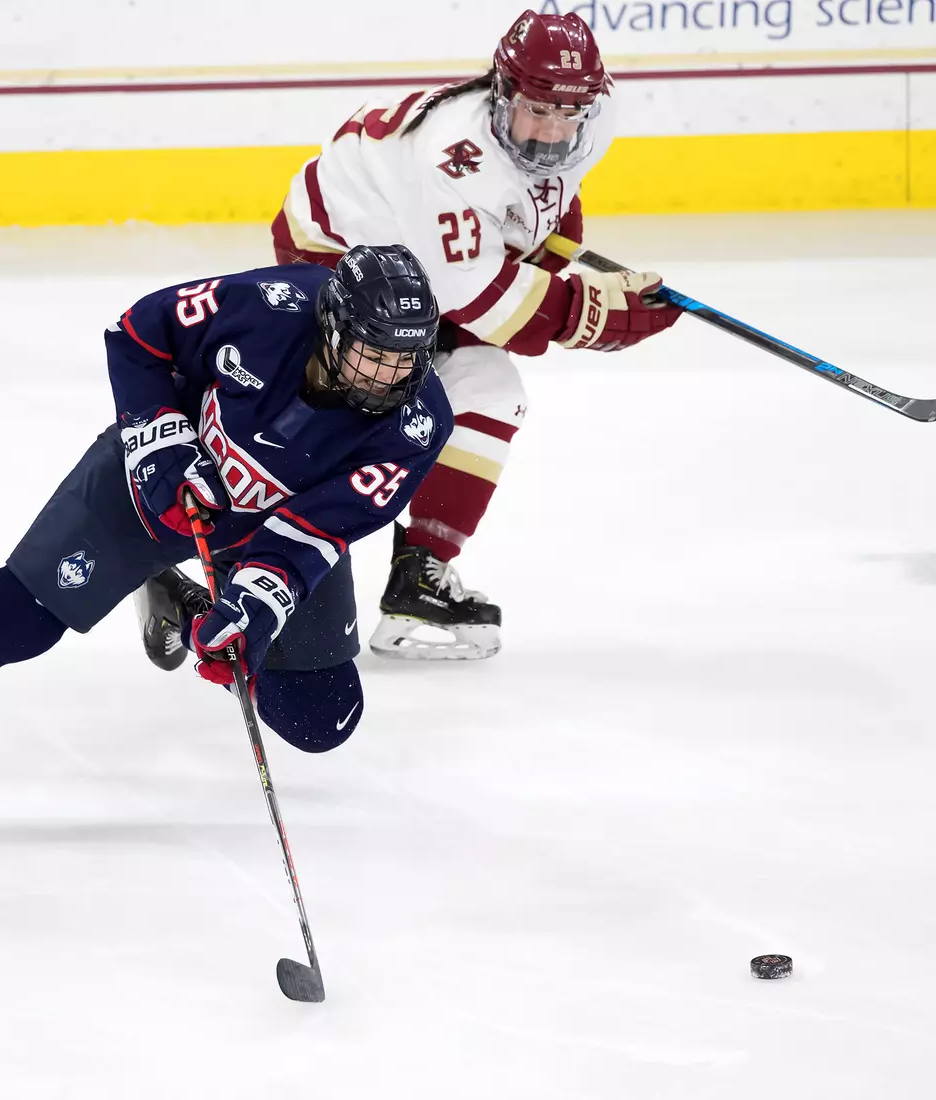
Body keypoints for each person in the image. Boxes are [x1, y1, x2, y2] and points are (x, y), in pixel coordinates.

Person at [0, 245, 451, 827]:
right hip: (156, 489)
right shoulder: (267, 306)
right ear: (332, 328)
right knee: (20, 618)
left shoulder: (417, 426)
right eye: (373, 356)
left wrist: (250, 608)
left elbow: (315, 530)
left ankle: (185, 608)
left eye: (405, 362)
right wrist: (161, 445)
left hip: (271, 524)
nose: (389, 379)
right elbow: (138, 334)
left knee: (320, 717)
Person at [268, 9, 680, 660]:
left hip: (419, 250)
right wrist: (592, 314)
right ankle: (251, 551)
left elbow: (551, 197)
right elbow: (486, 303)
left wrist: (549, 260)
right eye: (539, 109)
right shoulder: (452, 166)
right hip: (333, 257)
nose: (554, 129)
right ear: (502, 92)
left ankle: (420, 576)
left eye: (569, 113)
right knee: (359, 405)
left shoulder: (585, 117)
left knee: (489, 389)